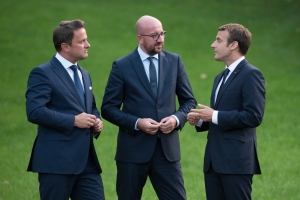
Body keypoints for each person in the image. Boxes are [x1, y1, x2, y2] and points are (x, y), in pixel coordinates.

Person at [101, 15, 196, 200]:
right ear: (140, 38)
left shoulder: (175, 62)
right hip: (132, 152)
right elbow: (108, 108)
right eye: (154, 35)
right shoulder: (122, 66)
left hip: (167, 152)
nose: (160, 39)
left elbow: (189, 101)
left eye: (162, 34)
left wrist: (176, 119)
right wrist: (137, 123)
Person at [25, 19, 105, 200]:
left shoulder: (85, 74)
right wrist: (73, 121)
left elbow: (90, 107)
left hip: (87, 163)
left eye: (87, 40)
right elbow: (34, 111)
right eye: (82, 41)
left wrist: (96, 120)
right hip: (56, 163)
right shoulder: (42, 73)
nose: (88, 45)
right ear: (65, 46)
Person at [187, 23, 266, 200]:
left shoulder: (251, 74)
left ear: (233, 45)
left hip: (236, 163)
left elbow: (254, 116)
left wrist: (213, 115)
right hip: (213, 163)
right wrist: (201, 120)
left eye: (218, 40)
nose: (213, 45)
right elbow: (222, 116)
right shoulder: (220, 77)